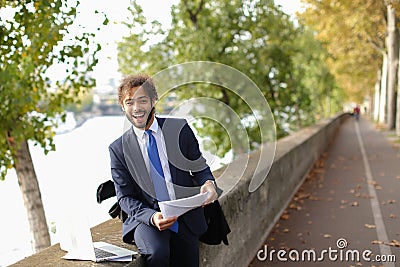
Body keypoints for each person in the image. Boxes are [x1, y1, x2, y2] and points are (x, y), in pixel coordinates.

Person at [108, 74, 218, 267]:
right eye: (129, 102)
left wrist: (208, 184)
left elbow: (200, 168)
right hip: (147, 218)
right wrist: (151, 217)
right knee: (157, 254)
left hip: (184, 215)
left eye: (142, 100)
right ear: (123, 107)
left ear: (153, 101)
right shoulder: (118, 149)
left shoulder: (180, 128)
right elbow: (125, 198)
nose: (137, 108)